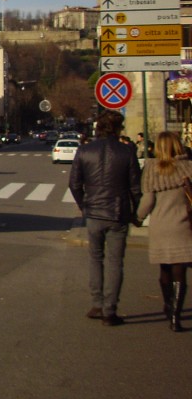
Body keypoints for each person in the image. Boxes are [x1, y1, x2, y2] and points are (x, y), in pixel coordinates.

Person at [68, 110, 142, 326]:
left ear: (97, 128)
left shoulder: (84, 150)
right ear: (118, 128)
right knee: (115, 262)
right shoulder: (127, 152)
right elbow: (135, 188)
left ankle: (97, 304)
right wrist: (136, 213)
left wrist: (85, 205)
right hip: (117, 213)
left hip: (94, 213)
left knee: (95, 258)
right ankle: (110, 310)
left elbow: (74, 184)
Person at [135, 131, 192, 332]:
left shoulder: (152, 169)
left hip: (160, 225)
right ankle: (176, 317)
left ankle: (168, 305)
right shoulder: (188, 167)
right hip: (183, 225)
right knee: (180, 271)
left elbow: (148, 201)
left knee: (164, 270)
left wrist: (138, 218)